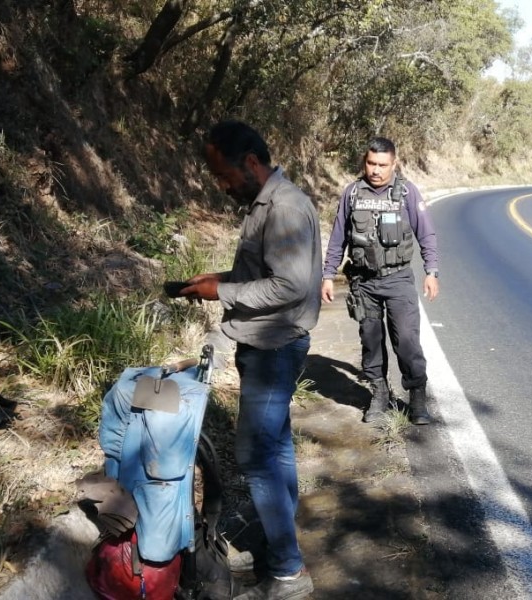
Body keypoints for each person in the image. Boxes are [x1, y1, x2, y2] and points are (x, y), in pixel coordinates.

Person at [181, 120, 320, 600]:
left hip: (273, 347)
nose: (221, 185)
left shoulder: (283, 207)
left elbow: (290, 286)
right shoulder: (265, 203)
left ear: (252, 163)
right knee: (275, 450)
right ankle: (279, 540)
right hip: (266, 345)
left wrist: (223, 289)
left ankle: (287, 572)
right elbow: (260, 276)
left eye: (224, 174)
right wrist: (213, 280)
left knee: (255, 457)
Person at [321, 137, 439, 425]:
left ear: (394, 164)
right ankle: (379, 394)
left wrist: (431, 271)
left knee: (407, 342)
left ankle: (418, 397)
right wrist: (327, 274)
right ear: (365, 162)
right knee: (371, 342)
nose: (375, 170)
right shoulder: (351, 194)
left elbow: (426, 233)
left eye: (382, 165)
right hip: (364, 283)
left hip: (398, 279)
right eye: (371, 163)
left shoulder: (407, 192)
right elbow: (338, 237)